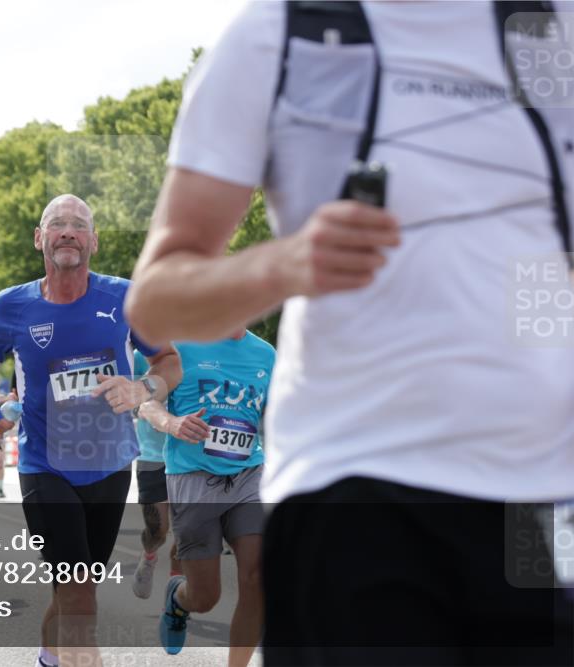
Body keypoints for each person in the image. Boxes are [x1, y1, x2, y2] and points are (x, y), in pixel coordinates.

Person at [125, 3, 574, 665]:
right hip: (362, 487)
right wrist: (283, 263)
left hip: (544, 499)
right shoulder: (280, 35)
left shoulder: (553, 30)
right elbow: (155, 303)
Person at [0, 194, 182, 667]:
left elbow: (169, 362)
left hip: (108, 464)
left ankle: (48, 657)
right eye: (56, 224)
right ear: (39, 238)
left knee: (72, 590)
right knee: (80, 591)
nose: (67, 231)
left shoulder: (125, 297)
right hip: (46, 465)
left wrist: (143, 388)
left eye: (78, 225)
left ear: (94, 242)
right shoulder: (13, 306)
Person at [137, 332, 274, 666]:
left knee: (257, 576)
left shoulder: (266, 354)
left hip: (248, 475)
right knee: (205, 597)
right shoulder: (177, 347)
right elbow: (146, 403)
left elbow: (275, 416)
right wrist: (172, 423)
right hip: (192, 477)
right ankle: (179, 599)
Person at [129, 350, 178, 601]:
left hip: (190, 457)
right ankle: (149, 555)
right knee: (158, 530)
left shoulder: (206, 350)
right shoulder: (142, 355)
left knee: (186, 533)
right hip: (152, 456)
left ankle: (175, 593)